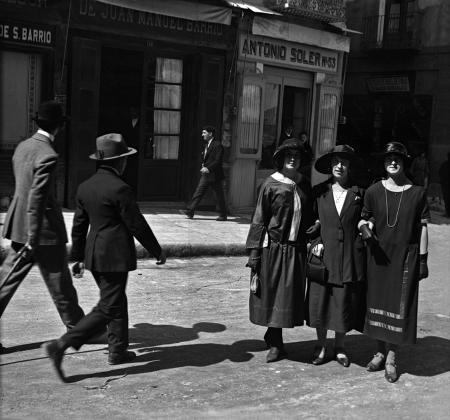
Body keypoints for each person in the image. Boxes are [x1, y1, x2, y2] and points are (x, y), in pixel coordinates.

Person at [42, 133, 166, 382]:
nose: (126, 163)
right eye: (125, 159)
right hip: (114, 256)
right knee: (109, 305)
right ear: (120, 161)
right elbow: (136, 224)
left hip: (93, 255)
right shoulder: (121, 188)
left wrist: (76, 257)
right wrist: (156, 250)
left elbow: (79, 225)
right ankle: (63, 344)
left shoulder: (85, 187)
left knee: (115, 300)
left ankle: (117, 350)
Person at [0, 101, 85, 353]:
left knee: (6, 281)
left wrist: (26, 234)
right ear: (59, 126)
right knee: (60, 283)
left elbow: (23, 189)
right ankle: (78, 330)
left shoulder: (23, 147)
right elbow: (37, 198)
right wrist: (33, 237)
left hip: (19, 226)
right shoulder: (48, 155)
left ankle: (78, 328)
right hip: (42, 232)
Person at [358, 142, 430, 383]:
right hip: (377, 257)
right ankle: (379, 351)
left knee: (399, 308)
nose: (393, 161)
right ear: (384, 161)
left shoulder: (418, 193)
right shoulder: (373, 191)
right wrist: (364, 226)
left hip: (405, 259)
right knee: (377, 305)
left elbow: (423, 229)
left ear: (404, 162)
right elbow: (364, 218)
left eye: (398, 158)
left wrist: (423, 260)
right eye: (389, 157)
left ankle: (391, 358)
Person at [245, 138, 314, 363]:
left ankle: (274, 335)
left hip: (296, 250)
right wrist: (254, 253)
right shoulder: (270, 184)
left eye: (296, 155)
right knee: (273, 294)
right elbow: (259, 219)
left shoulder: (305, 184)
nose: (292, 159)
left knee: (288, 297)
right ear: (281, 159)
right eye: (288, 155)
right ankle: (276, 343)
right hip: (273, 249)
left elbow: (310, 215)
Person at [305, 145, 366, 368]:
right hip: (324, 256)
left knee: (343, 303)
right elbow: (309, 224)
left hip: (349, 257)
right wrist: (314, 243)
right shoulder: (319, 191)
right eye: (336, 162)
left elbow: (368, 219)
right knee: (321, 302)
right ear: (331, 166)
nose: (340, 166)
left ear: (349, 166)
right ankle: (321, 346)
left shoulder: (359, 193)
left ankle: (340, 347)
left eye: (344, 162)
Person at [184, 126, 227, 221]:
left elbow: (218, 160)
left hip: (215, 175)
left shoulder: (217, 145)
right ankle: (190, 211)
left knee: (219, 196)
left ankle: (223, 215)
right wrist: (204, 165)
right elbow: (207, 158)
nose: (202, 135)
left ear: (210, 133)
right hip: (206, 175)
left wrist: (208, 168)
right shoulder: (207, 145)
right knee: (198, 193)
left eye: (204, 133)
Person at [121, 106, 140, 193]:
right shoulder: (126, 123)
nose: (132, 113)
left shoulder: (142, 123)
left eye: (134, 110)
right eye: (131, 111)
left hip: (138, 150)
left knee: (135, 170)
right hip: (127, 149)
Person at [438, 153, 450, 217]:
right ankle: (448, 213)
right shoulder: (444, 164)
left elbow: (440, 173)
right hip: (445, 185)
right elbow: (440, 173)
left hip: (445, 184)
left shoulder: (445, 164)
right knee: (446, 199)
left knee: (447, 199)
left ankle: (448, 213)